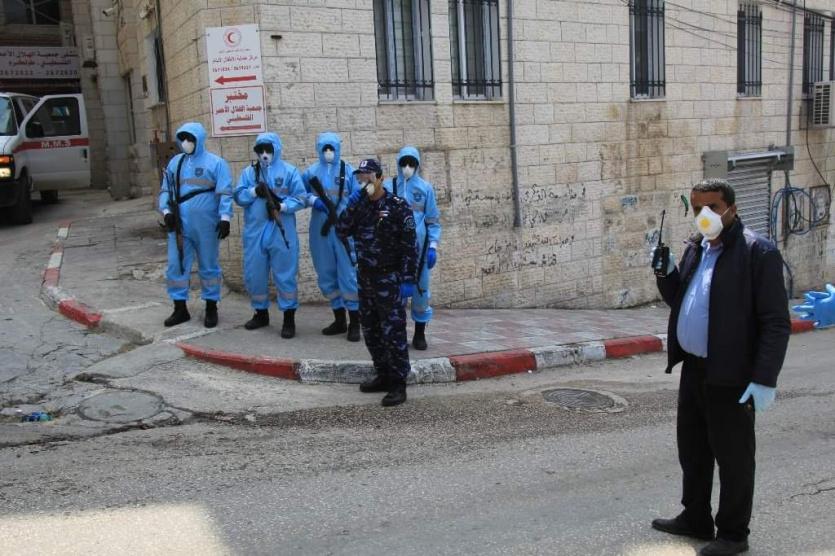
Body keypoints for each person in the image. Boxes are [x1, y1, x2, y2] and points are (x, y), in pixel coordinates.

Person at [651, 179, 791, 556]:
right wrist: (665, 274)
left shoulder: (757, 252)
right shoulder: (696, 247)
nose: (704, 215)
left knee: (733, 458)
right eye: (697, 208)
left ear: (731, 208)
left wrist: (764, 378)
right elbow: (682, 299)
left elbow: (776, 322)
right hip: (695, 369)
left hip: (732, 374)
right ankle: (695, 516)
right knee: (693, 450)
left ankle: (733, 533)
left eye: (712, 207)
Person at [336, 159, 417, 407]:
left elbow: (410, 246)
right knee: (371, 331)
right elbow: (341, 230)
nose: (364, 180)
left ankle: (398, 383)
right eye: (361, 176)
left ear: (380, 178)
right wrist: (353, 203)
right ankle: (383, 374)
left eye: (369, 175)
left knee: (393, 332)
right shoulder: (360, 205)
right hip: (366, 278)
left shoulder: (397, 206)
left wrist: (408, 279)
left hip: (389, 278)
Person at [159, 122, 233, 328]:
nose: (186, 142)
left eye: (190, 139)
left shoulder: (216, 163)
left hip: (207, 225)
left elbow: (225, 192)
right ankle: (179, 307)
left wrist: (225, 218)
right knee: (176, 264)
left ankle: (211, 306)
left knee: (209, 265)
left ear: (199, 140)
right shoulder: (176, 163)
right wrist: (166, 212)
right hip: (180, 224)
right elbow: (165, 190)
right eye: (182, 138)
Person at [233, 132, 306, 338]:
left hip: (282, 231)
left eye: (269, 149)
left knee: (285, 274)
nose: (265, 154)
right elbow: (238, 196)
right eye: (261, 150)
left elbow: (300, 198)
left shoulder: (290, 171)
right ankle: (260, 313)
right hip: (255, 231)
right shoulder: (249, 173)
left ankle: (289, 318)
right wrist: (253, 192)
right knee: (255, 274)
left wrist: (283, 206)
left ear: (276, 149)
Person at [301, 132, 361, 342]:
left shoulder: (348, 171)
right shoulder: (311, 172)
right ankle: (339, 319)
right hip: (321, 230)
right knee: (326, 273)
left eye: (331, 148)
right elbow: (299, 194)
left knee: (348, 274)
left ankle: (355, 322)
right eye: (325, 148)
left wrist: (351, 208)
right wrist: (313, 201)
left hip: (344, 230)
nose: (328, 152)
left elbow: (360, 198)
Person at [384, 146, 441, 351]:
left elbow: (433, 221)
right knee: (395, 295)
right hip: (394, 251)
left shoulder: (425, 189)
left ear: (417, 165)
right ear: (398, 164)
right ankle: (397, 334)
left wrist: (433, 246)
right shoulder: (389, 187)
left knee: (421, 291)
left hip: (419, 250)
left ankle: (419, 333)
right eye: (404, 163)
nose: (407, 167)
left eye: (411, 163)